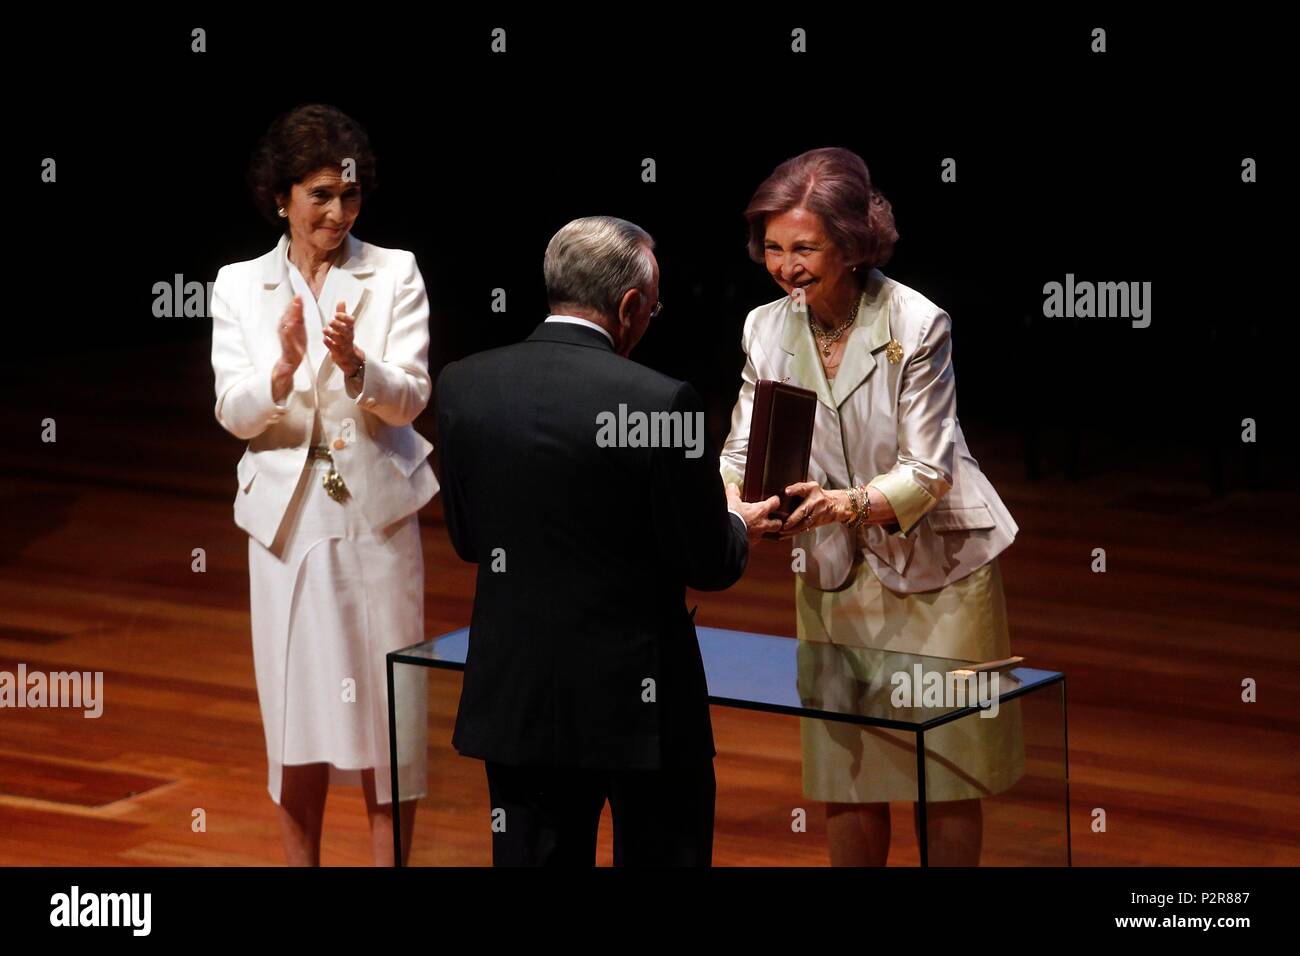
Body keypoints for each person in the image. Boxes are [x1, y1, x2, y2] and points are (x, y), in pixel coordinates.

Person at [435, 215, 781, 866]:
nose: (650, 317)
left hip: (520, 703)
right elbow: (708, 562)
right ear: (628, 306)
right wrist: (740, 522)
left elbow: (470, 539)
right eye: (653, 306)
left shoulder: (464, 384)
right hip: (642, 710)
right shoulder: (662, 402)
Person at [719, 147, 1024, 866]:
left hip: (937, 568)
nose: (785, 266)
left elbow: (929, 469)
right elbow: (741, 450)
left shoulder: (917, 323)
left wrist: (843, 505)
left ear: (852, 244)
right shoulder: (765, 327)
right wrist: (730, 508)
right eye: (772, 247)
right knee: (847, 772)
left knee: (945, 773)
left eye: (805, 248)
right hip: (831, 574)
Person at [210, 103, 436, 866]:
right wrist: (277, 374)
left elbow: (410, 397)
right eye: (319, 195)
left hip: (375, 519)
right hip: (287, 527)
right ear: (282, 196)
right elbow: (233, 413)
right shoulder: (240, 286)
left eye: (348, 195)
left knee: (388, 715)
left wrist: (355, 367)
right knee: (294, 711)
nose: (336, 212)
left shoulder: (394, 272)